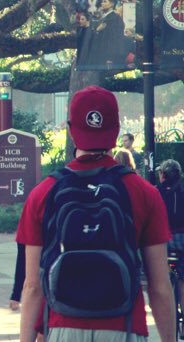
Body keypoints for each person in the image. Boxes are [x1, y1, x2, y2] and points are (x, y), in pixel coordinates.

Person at [18, 86, 174, 341]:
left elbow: (32, 286)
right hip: (125, 328)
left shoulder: (43, 193)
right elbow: (159, 287)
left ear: (71, 130)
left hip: (61, 327)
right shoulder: (144, 193)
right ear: (116, 129)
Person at [158, 159, 184, 317]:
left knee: (161, 277)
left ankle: (165, 310)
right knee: (183, 279)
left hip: (162, 241)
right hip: (181, 241)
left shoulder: (155, 192)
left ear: (162, 175)